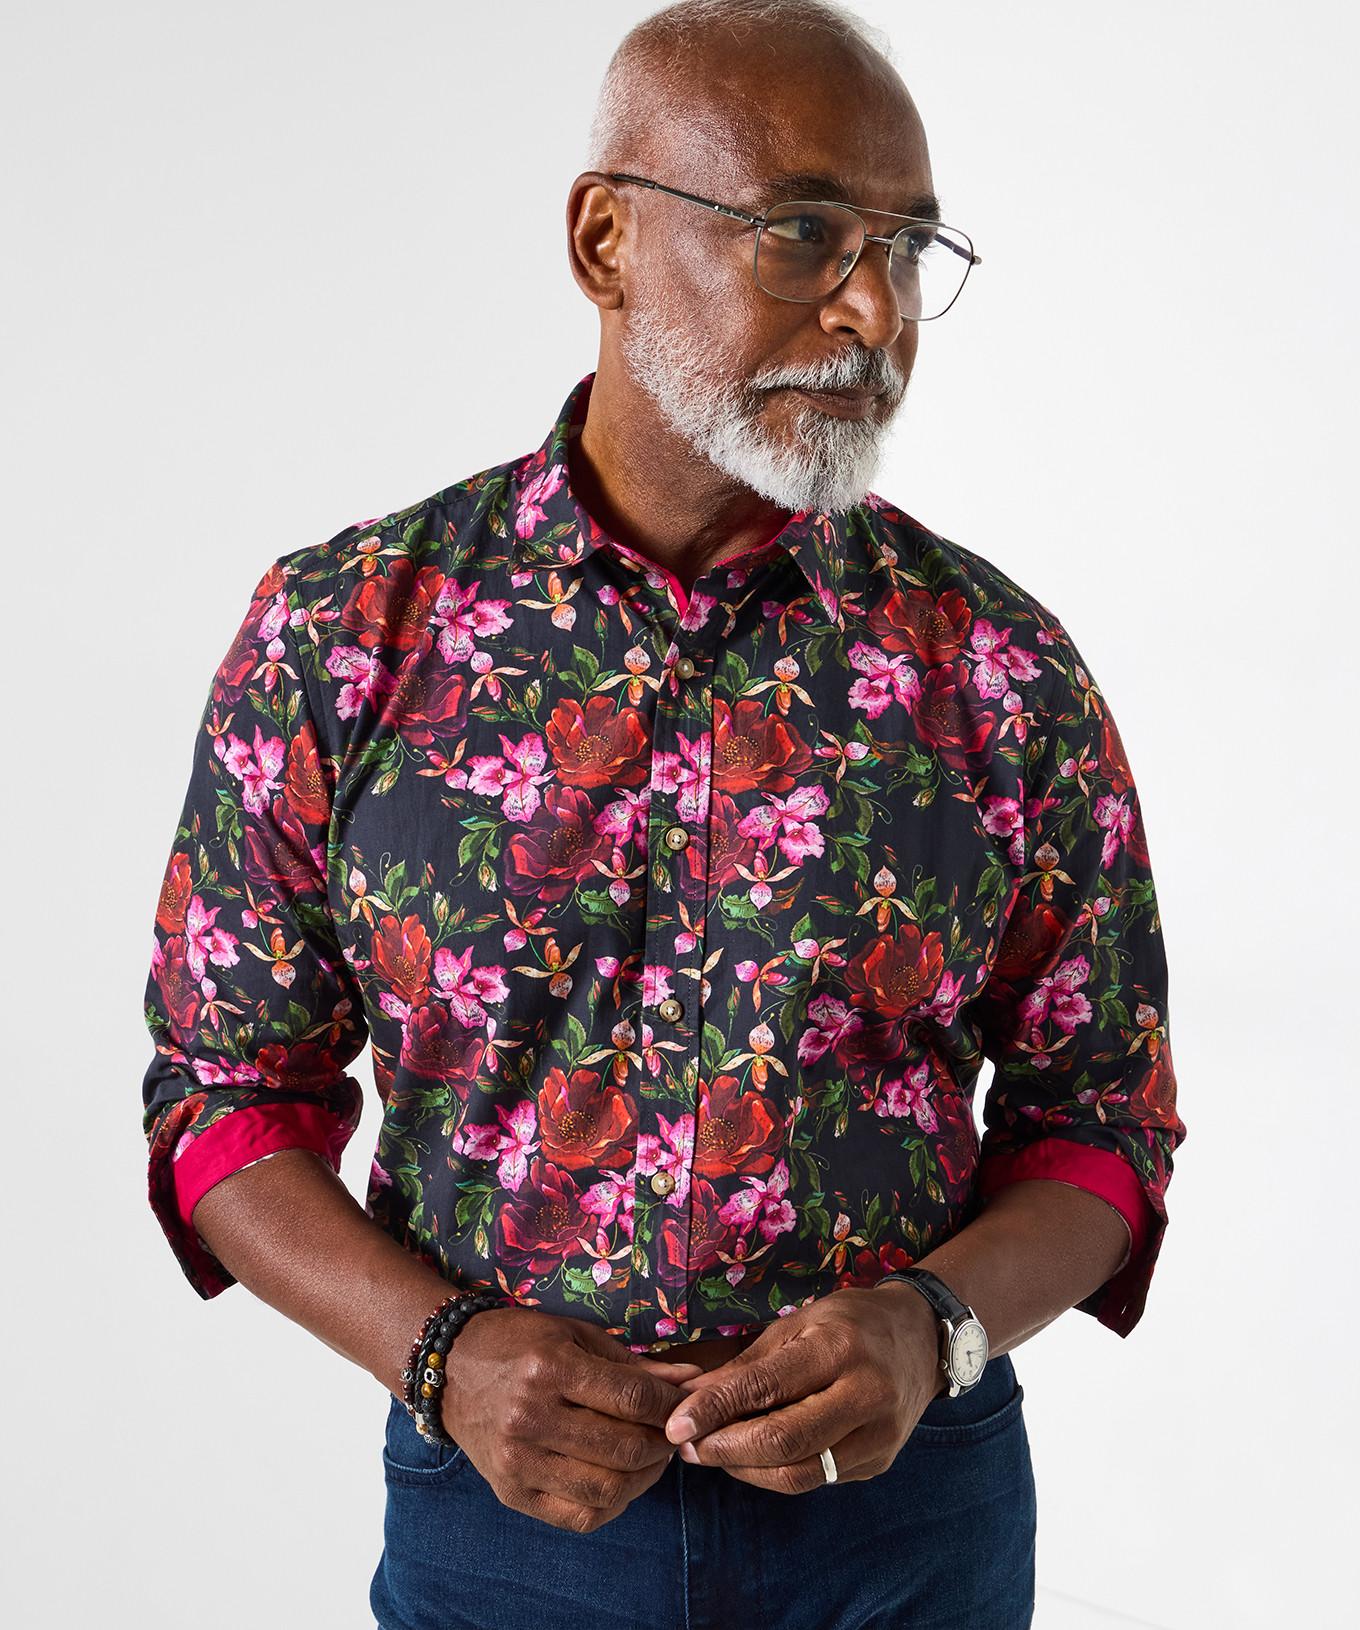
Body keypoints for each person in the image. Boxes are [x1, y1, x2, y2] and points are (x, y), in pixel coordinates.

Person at [139, 2, 1187, 1625]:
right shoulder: (344, 635)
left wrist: (931, 1326)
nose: (873, 307)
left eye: (909, 248)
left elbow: (1103, 1124)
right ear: (605, 240)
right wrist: (440, 1351)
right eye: (805, 230)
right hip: (503, 1527)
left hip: (907, 1528)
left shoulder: (998, 668)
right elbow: (224, 1099)